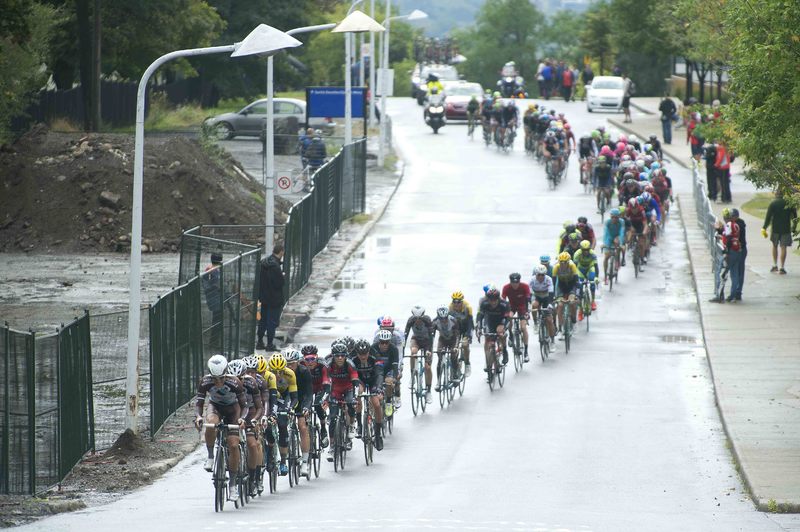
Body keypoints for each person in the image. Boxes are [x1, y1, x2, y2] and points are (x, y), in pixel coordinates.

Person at [194, 354, 249, 501]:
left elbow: (244, 405)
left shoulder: (235, 382)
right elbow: (199, 403)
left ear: (226, 374)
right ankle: (211, 456)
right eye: (214, 379)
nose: (218, 382)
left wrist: (242, 419)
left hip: (233, 410)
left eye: (221, 378)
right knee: (210, 422)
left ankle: (232, 485)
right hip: (216, 407)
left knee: (233, 444)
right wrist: (199, 417)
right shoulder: (205, 381)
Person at [284, 348, 313, 477]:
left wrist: (306, 408)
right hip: (289, 401)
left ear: (298, 363)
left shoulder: (304, 372)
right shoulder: (281, 373)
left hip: (302, 401)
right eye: (287, 364)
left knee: (302, 426)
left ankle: (305, 461)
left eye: (292, 364)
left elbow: (308, 393)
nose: (290, 366)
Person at [351, 340, 384, 451]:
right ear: (356, 353)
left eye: (365, 353)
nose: (363, 356)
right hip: (360, 381)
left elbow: (379, 374)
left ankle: (378, 434)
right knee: (358, 394)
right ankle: (359, 424)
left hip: (373, 380)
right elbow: (352, 376)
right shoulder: (353, 359)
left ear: (369, 352)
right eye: (360, 354)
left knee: (376, 404)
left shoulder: (375, 356)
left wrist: (379, 388)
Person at [475, 287, 511, 378]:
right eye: (491, 300)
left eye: (495, 300)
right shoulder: (484, 304)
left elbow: (508, 319)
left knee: (500, 333)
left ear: (498, 298)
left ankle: (504, 350)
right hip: (489, 322)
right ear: (488, 299)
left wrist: (503, 327)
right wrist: (479, 328)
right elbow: (480, 316)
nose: (493, 302)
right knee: (488, 339)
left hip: (501, 321)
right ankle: (488, 362)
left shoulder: (504, 304)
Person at [404, 306, 435, 404]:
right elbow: (405, 336)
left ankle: (428, 391)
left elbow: (431, 337)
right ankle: (413, 376)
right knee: (413, 352)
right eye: (415, 318)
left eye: (419, 318)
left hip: (427, 342)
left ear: (423, 316)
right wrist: (402, 350)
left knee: (427, 367)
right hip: (416, 340)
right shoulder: (410, 320)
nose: (417, 320)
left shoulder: (427, 320)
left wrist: (429, 350)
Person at [257, 244, 285, 351]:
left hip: (264, 297)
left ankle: (260, 342)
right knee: (272, 322)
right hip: (274, 299)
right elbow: (279, 283)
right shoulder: (276, 267)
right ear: (281, 252)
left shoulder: (263, 263)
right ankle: (269, 344)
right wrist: (282, 276)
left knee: (263, 320)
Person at [762, 189, 798, 274]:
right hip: (786, 229)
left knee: (774, 246)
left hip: (775, 229)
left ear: (776, 194)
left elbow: (768, 217)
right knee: (783, 247)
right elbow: (795, 217)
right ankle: (782, 267)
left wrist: (764, 227)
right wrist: (794, 227)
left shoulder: (773, 204)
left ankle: (775, 265)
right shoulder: (790, 203)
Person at [502, 273, 531, 361]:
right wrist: (504, 312)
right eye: (513, 283)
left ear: (519, 281)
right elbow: (503, 300)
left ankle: (526, 351)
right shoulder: (506, 287)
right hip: (512, 306)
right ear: (510, 282)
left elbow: (528, 300)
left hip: (523, 307)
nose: (515, 285)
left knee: (523, 327)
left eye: (517, 283)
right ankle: (511, 335)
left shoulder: (525, 286)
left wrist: (527, 312)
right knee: (509, 316)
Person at [431, 305, 462, 388]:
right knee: (440, 358)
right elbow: (432, 336)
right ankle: (438, 381)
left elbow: (458, 335)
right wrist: (430, 348)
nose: (444, 321)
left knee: (453, 356)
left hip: (453, 339)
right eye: (442, 319)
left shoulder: (453, 320)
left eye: (445, 318)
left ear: (448, 315)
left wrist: (456, 347)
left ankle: (455, 374)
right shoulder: (435, 321)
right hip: (442, 340)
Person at [448, 291, 474, 376]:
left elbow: (470, 323)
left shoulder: (467, 308)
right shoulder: (450, 308)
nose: (456, 304)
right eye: (454, 301)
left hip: (466, 328)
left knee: (465, 345)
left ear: (462, 301)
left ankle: (467, 364)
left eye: (458, 301)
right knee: (454, 347)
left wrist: (469, 336)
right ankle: (455, 367)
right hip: (456, 329)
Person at [202, 253, 224, 351]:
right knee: (217, 321)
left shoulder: (212, 269)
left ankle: (215, 341)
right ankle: (213, 342)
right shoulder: (212, 271)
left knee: (217, 320)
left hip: (215, 298)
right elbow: (215, 284)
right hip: (215, 299)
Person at [603, 208, 626, 284]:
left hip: (617, 236)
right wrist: (605, 244)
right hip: (609, 237)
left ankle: (617, 261)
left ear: (619, 217)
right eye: (612, 217)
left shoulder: (621, 222)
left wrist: (622, 244)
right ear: (610, 216)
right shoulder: (607, 222)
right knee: (606, 257)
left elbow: (622, 233)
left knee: (617, 243)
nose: (614, 219)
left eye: (616, 217)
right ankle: (605, 276)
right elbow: (606, 234)